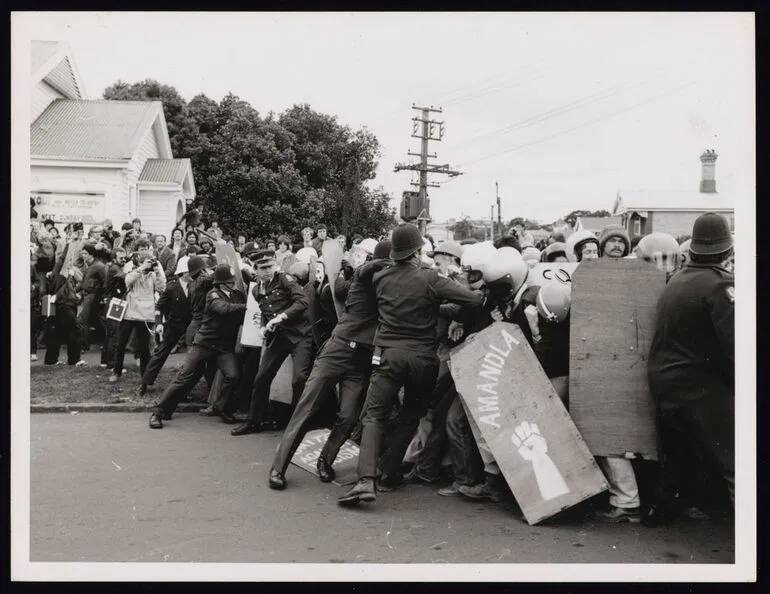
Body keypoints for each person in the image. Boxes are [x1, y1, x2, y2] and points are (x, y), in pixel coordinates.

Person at [337, 224, 484, 507]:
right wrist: (448, 312)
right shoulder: (430, 278)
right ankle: (389, 473)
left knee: (374, 416)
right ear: (418, 252)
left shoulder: (380, 277)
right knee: (411, 415)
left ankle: (366, 481)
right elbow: (473, 301)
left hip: (388, 354)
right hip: (422, 359)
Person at [268, 240, 393, 490]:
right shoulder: (363, 277)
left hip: (360, 360)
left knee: (348, 416)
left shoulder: (395, 287)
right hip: (337, 350)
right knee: (306, 408)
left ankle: (325, 459)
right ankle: (278, 467)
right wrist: (386, 263)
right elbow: (350, 278)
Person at [644, 213, 734, 526]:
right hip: (699, 383)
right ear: (726, 251)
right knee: (734, 456)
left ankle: (663, 509)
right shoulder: (720, 285)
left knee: (679, 451)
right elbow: (735, 344)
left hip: (664, 379)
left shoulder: (677, 280)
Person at [149, 264, 247, 428]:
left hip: (223, 346)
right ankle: (158, 412)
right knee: (184, 377)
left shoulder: (237, 295)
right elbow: (223, 309)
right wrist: (247, 308)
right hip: (204, 344)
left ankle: (221, 407)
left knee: (233, 375)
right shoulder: (213, 294)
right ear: (222, 283)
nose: (234, 283)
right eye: (230, 281)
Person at [230, 249, 314, 436]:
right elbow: (265, 312)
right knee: (261, 378)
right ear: (256, 270)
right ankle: (254, 421)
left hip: (300, 335)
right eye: (263, 268)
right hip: (278, 338)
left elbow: (302, 302)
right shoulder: (256, 289)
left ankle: (299, 424)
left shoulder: (285, 279)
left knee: (299, 378)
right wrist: (262, 327)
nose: (268, 270)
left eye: (270, 266)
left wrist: (281, 317)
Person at [590, 222, 640, 523]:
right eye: (612, 242)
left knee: (612, 436)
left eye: (622, 242)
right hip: (599, 361)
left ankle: (627, 500)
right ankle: (621, 497)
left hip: (623, 363)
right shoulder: (592, 274)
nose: (617, 246)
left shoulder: (635, 278)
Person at [135, 256, 193, 397]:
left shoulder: (196, 286)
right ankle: (145, 383)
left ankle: (185, 389)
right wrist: (159, 323)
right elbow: (159, 307)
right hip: (174, 326)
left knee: (193, 358)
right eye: (191, 272)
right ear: (185, 272)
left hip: (191, 326)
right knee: (160, 354)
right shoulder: (172, 287)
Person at [110, 239, 166, 383]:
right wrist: (141, 268)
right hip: (130, 307)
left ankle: (145, 376)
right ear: (136, 250)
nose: (144, 251)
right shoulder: (130, 264)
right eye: (141, 248)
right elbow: (127, 281)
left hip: (146, 309)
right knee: (121, 342)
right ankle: (116, 371)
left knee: (144, 346)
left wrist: (157, 272)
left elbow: (161, 287)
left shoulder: (156, 264)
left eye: (147, 248)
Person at [100, 247, 128, 369]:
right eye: (121, 258)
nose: (124, 260)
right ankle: (112, 364)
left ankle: (105, 361)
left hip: (112, 302)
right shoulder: (114, 268)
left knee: (110, 334)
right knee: (115, 334)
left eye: (124, 257)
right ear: (114, 258)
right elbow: (126, 277)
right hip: (115, 302)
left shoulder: (113, 267)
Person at [76, 244, 107, 353]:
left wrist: (103, 295)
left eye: (85, 254)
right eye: (82, 253)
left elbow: (106, 282)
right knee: (96, 320)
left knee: (82, 320)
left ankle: (83, 346)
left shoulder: (99, 266)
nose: (83, 256)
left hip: (93, 296)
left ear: (91, 254)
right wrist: (74, 290)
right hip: (88, 295)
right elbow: (84, 282)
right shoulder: (88, 265)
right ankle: (107, 342)